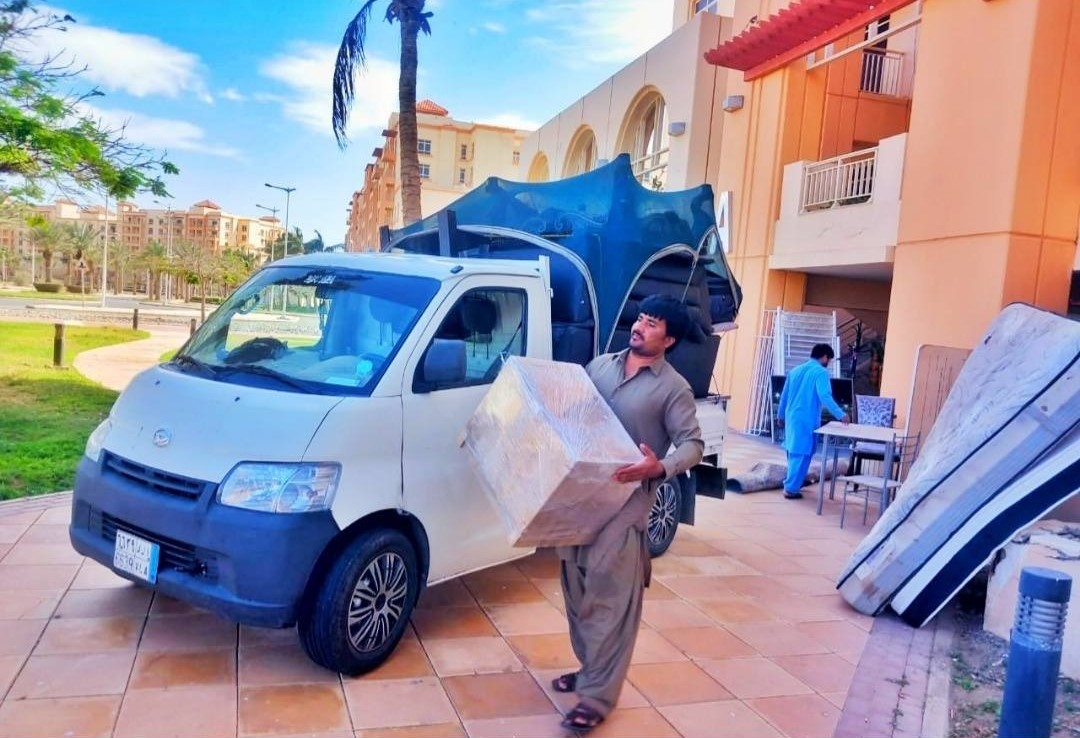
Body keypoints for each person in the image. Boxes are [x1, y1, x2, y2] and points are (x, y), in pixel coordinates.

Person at [553, 294, 704, 734]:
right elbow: (571, 408)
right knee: (576, 587)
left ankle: (597, 697)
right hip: (580, 495)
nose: (640, 326)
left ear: (669, 339)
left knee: (610, 596)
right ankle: (589, 670)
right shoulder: (600, 365)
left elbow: (693, 445)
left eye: (653, 323)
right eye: (641, 317)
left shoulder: (672, 387)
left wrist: (660, 466)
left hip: (626, 502)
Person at [776, 343, 850, 499]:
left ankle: (793, 483)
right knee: (802, 453)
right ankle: (790, 489)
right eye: (828, 359)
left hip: (792, 417)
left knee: (793, 451)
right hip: (806, 419)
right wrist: (841, 414)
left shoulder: (795, 371)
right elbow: (824, 396)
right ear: (824, 357)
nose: (828, 363)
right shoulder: (820, 373)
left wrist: (780, 415)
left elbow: (784, 395)